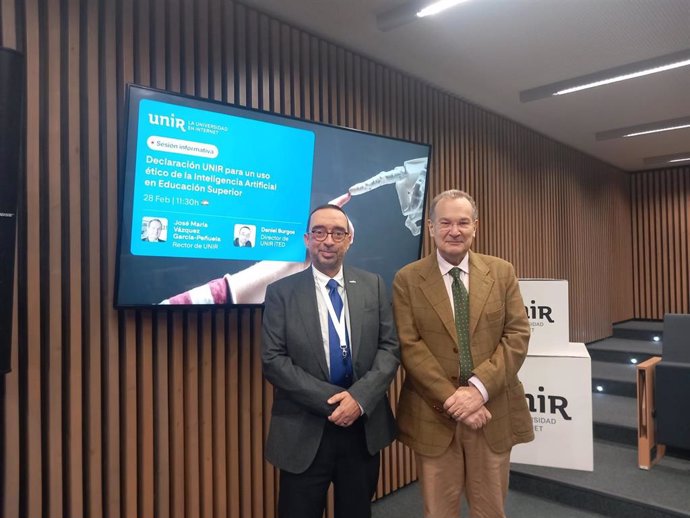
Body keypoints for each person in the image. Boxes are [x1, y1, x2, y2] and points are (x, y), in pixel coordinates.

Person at [392, 189, 534, 518]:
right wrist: (455, 400)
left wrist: (477, 391)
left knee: (490, 511)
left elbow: (517, 335)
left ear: (475, 227)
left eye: (462, 222)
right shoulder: (407, 280)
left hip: (491, 410)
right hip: (434, 414)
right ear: (430, 227)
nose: (454, 231)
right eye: (445, 223)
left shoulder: (501, 272)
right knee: (439, 511)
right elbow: (409, 346)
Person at [262, 203, 400, 518]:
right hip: (303, 429)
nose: (328, 240)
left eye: (338, 233)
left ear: (349, 240)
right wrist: (337, 402)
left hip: (361, 428)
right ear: (307, 239)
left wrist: (359, 399)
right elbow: (273, 360)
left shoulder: (373, 285)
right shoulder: (281, 292)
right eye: (320, 232)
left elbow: (389, 348)